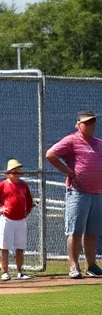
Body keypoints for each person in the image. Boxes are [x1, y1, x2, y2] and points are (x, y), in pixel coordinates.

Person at [45, 110, 102, 279]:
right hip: (78, 192)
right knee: (75, 231)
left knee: (92, 232)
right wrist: (67, 171)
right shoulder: (72, 140)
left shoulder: (99, 143)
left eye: (92, 122)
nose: (90, 125)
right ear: (78, 125)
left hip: (97, 193)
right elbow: (50, 154)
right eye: (86, 122)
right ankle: (73, 266)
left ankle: (91, 265)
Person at [0, 159, 34, 281]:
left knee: (20, 246)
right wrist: (0, 208)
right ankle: (4, 271)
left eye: (19, 173)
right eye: (14, 173)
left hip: (21, 220)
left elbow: (29, 200)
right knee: (4, 246)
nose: (17, 176)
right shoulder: (2, 185)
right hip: (7, 219)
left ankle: (20, 271)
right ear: (8, 173)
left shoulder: (24, 185)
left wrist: (27, 211)